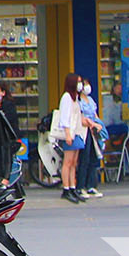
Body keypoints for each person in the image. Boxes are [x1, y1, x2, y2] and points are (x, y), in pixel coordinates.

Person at [54, 73, 85, 204]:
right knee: (67, 162)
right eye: (78, 82)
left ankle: (73, 187)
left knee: (74, 162)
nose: (80, 85)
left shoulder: (76, 98)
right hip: (70, 133)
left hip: (77, 132)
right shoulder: (66, 97)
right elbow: (65, 117)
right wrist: (67, 134)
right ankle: (66, 188)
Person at [76, 81, 104, 198]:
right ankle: (81, 186)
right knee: (84, 159)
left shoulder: (90, 100)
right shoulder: (78, 101)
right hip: (84, 131)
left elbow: (95, 114)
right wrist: (93, 124)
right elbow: (82, 118)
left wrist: (99, 125)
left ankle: (92, 185)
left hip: (93, 131)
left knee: (94, 157)